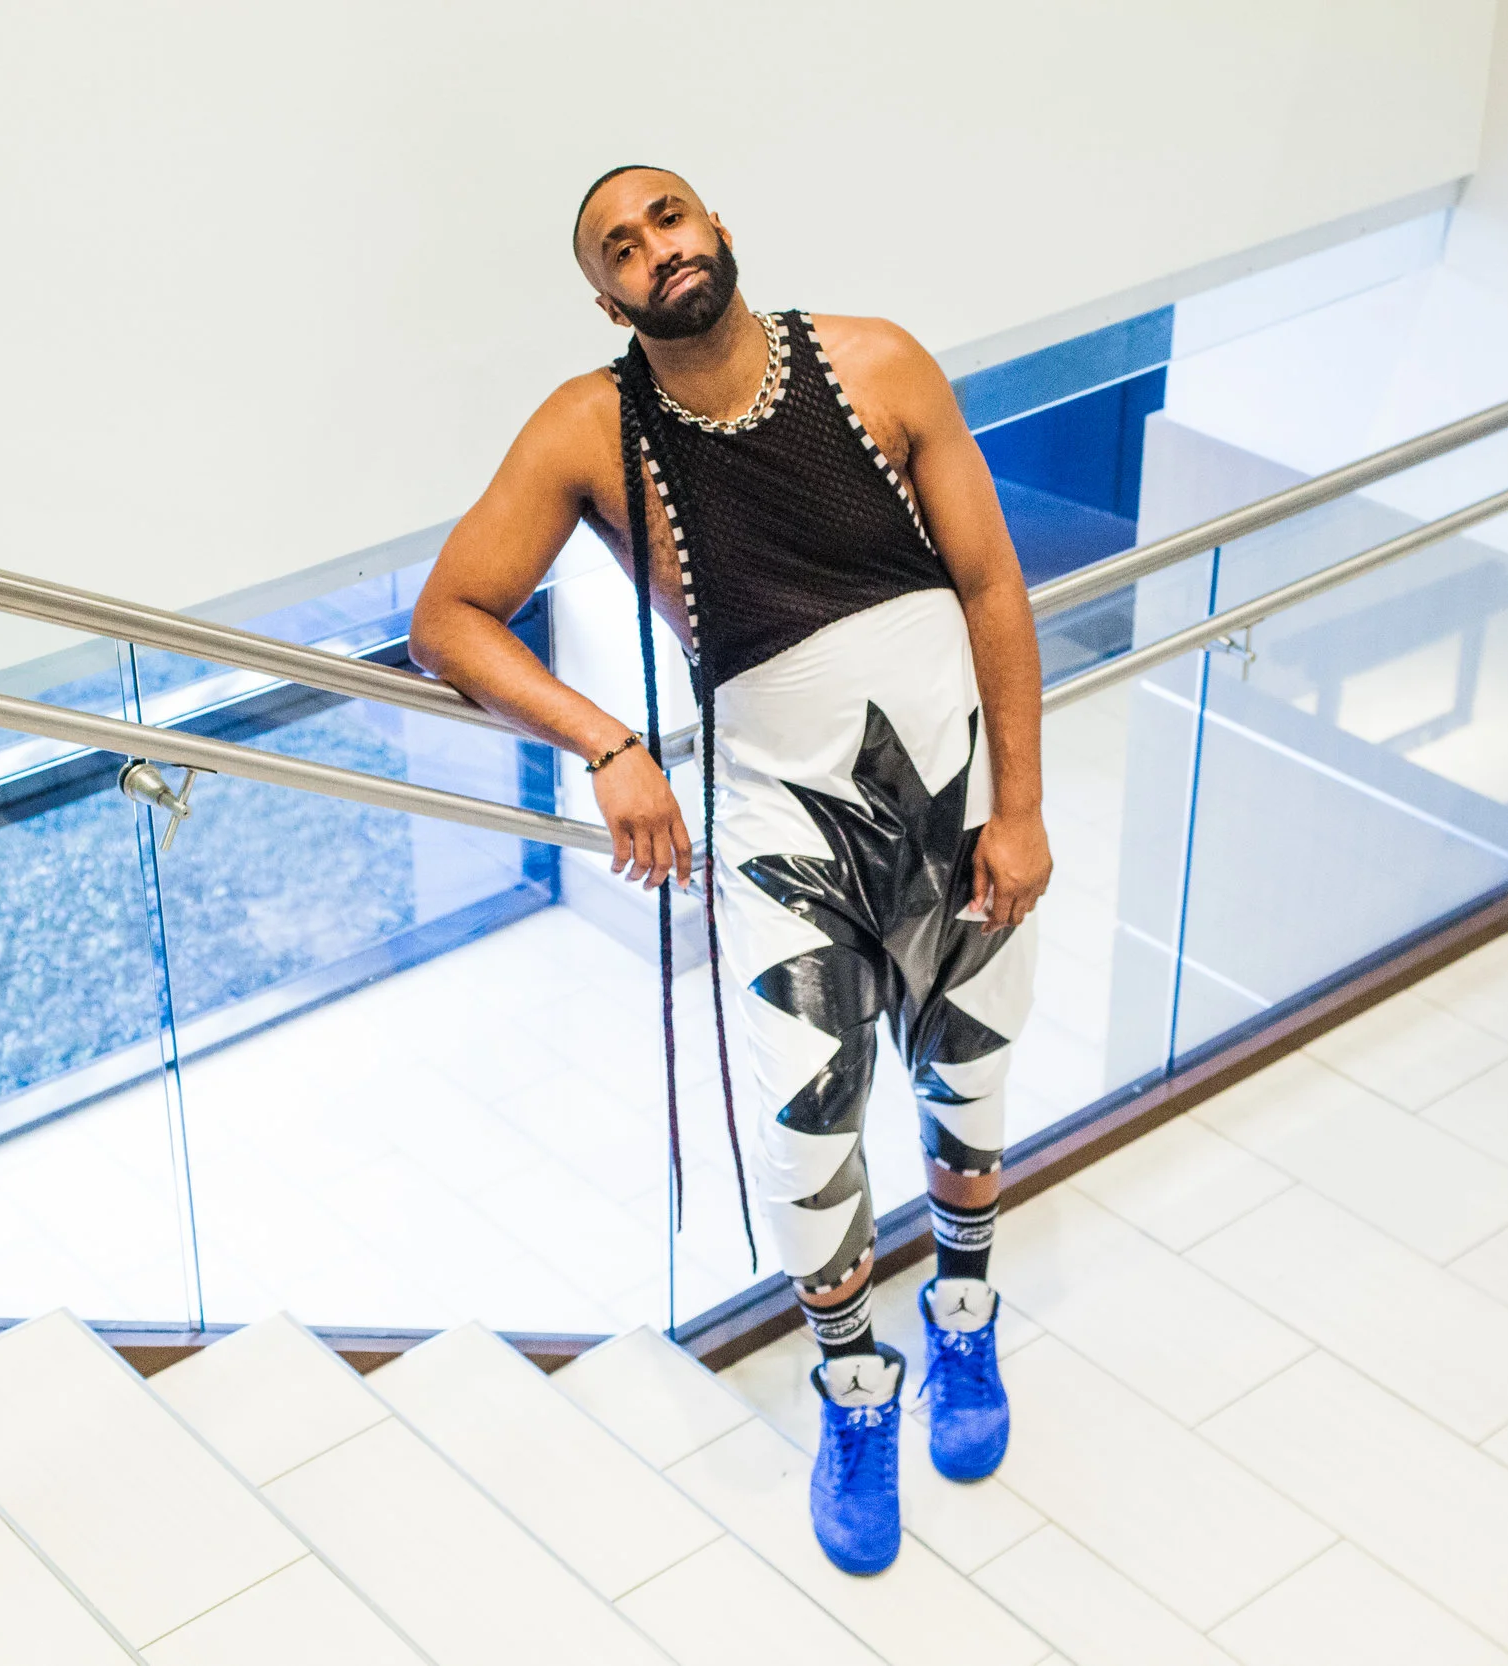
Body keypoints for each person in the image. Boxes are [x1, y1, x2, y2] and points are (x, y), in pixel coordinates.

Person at [411, 165, 1050, 1575]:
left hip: (953, 798)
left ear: (719, 231)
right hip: (780, 829)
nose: (655, 250)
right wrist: (604, 742)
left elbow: (994, 585)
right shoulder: (589, 426)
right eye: (620, 248)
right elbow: (448, 618)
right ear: (608, 300)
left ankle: (962, 1314)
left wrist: (1023, 806)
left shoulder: (879, 362)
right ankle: (854, 1386)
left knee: (971, 1085)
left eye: (668, 218)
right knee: (808, 1135)